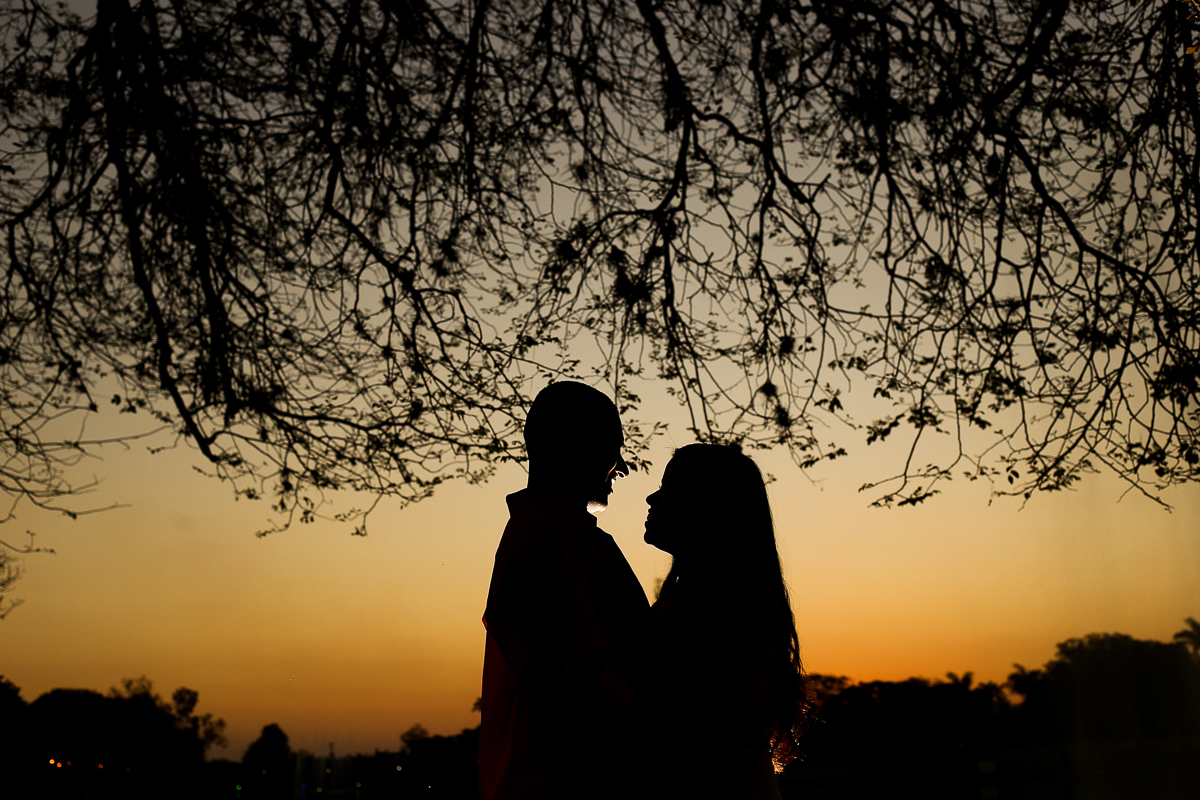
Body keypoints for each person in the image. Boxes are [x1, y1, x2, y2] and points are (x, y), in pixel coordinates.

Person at [479, 381, 650, 800]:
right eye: (614, 449)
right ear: (579, 448)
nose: (622, 468)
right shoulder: (555, 538)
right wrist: (671, 728)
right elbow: (579, 677)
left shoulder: (550, 533)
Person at [641, 444, 810, 800]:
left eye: (668, 488)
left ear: (707, 504)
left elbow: (688, 710)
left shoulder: (738, 589)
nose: (652, 498)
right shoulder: (692, 592)